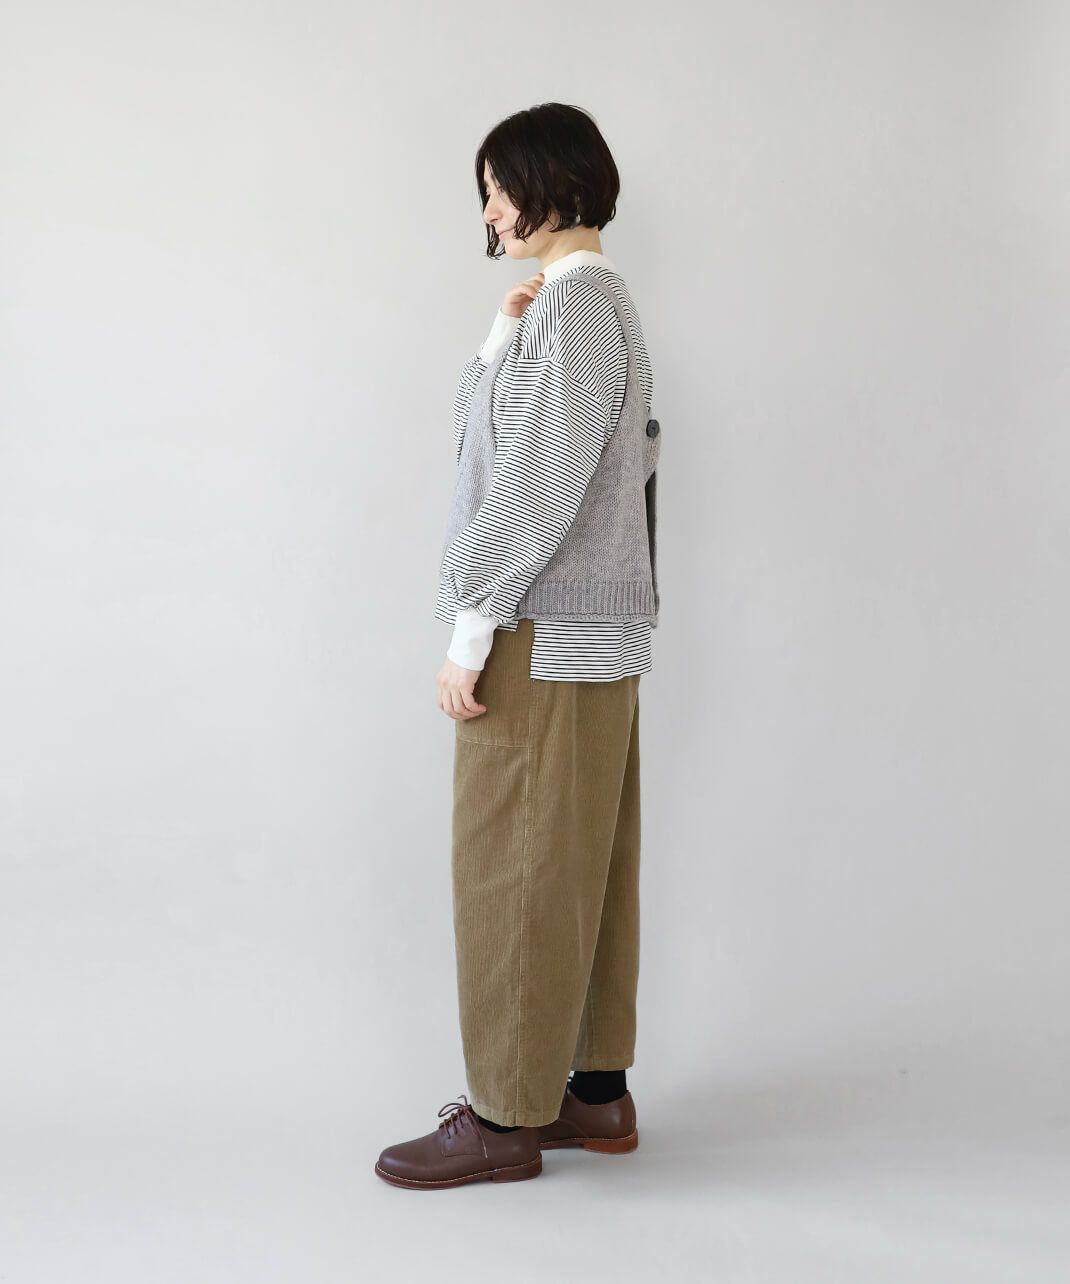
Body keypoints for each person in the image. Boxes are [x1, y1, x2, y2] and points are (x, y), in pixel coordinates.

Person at [375, 102, 662, 1190]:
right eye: (487, 194)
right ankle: (593, 1094)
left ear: (559, 184)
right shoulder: (576, 304)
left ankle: (504, 1115)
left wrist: (471, 632)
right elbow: (486, 440)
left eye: (500, 189)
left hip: (539, 634)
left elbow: (531, 486)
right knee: (583, 862)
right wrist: (500, 337)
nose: (490, 212)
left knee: (515, 864)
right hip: (586, 633)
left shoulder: (579, 306)